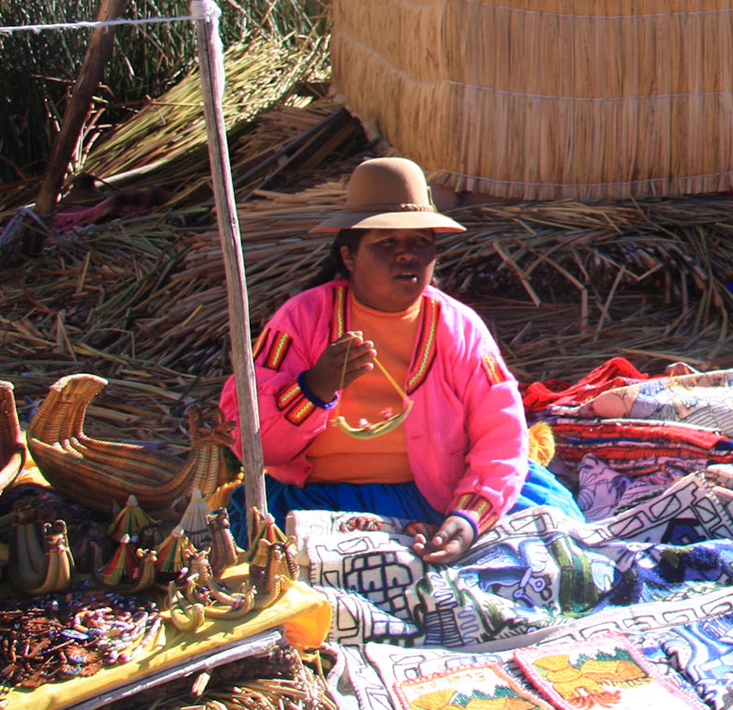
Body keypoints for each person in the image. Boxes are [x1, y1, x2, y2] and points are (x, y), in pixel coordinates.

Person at [221, 157, 582, 561]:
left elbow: (501, 434)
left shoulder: (459, 330)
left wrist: (467, 518)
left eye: (419, 243)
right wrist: (314, 388)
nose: (405, 256)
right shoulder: (300, 321)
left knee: (551, 551)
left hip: (440, 495)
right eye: (386, 243)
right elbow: (253, 445)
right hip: (325, 500)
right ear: (350, 257)